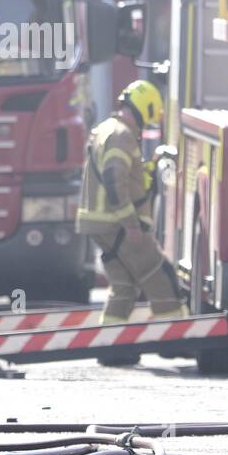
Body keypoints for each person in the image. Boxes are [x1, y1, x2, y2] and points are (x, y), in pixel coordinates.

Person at [76, 79, 185, 324]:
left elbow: (126, 176)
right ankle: (174, 336)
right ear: (145, 108)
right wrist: (131, 224)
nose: (147, 124)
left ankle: (113, 348)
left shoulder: (107, 129)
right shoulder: (122, 136)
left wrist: (151, 163)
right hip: (117, 224)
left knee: (124, 287)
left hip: (99, 223)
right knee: (161, 278)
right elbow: (114, 178)